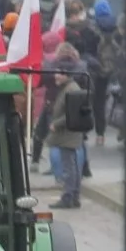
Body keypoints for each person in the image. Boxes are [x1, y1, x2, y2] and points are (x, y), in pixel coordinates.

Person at [34, 46, 90, 207]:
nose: (55, 76)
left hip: (67, 134)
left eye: (58, 73)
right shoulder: (68, 88)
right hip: (70, 134)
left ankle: (68, 197)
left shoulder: (70, 90)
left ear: (66, 75)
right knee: (73, 166)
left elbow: (70, 113)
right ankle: (74, 197)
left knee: (69, 167)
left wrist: (55, 124)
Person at [92, 1, 124, 142]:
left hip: (98, 69)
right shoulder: (117, 26)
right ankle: (123, 128)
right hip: (116, 70)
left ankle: (100, 134)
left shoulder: (93, 27)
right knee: (120, 100)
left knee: (98, 101)